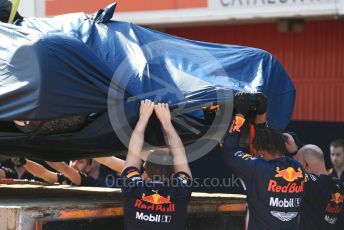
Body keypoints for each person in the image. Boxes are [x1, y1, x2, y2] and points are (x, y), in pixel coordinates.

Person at [222, 92, 304, 230]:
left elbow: (229, 152)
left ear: (261, 152)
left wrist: (239, 115)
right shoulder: (297, 168)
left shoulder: (259, 168)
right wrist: (261, 115)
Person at [121, 100, 192, 230]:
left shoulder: (134, 187)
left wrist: (143, 117)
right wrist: (167, 122)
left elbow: (133, 153)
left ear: (145, 171)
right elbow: (180, 156)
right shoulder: (179, 190)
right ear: (172, 175)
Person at [288, 144, 344, 229]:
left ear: (306, 164)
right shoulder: (339, 185)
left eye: (300, 167)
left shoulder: (312, 183)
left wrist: (293, 152)